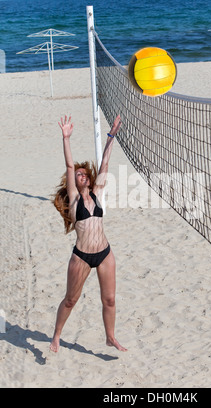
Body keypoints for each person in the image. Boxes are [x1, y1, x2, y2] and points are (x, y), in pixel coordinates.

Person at [50, 114, 127, 353]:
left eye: (84, 174)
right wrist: (66, 138)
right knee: (71, 300)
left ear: (90, 179)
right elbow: (70, 165)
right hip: (82, 257)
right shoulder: (74, 199)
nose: (81, 175)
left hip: (104, 253)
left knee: (110, 300)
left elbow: (105, 162)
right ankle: (56, 336)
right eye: (78, 175)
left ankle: (110, 336)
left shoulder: (98, 192)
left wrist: (111, 134)